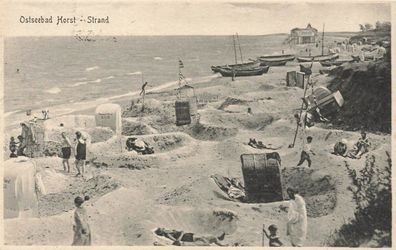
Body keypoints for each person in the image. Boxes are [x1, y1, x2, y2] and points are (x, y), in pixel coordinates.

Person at [154, 228, 227, 246]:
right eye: (163, 229)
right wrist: (182, 233)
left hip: (189, 235)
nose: (165, 228)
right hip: (188, 238)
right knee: (203, 238)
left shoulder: (170, 231)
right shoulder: (168, 235)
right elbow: (177, 241)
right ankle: (219, 240)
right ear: (162, 232)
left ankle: (219, 241)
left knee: (207, 237)